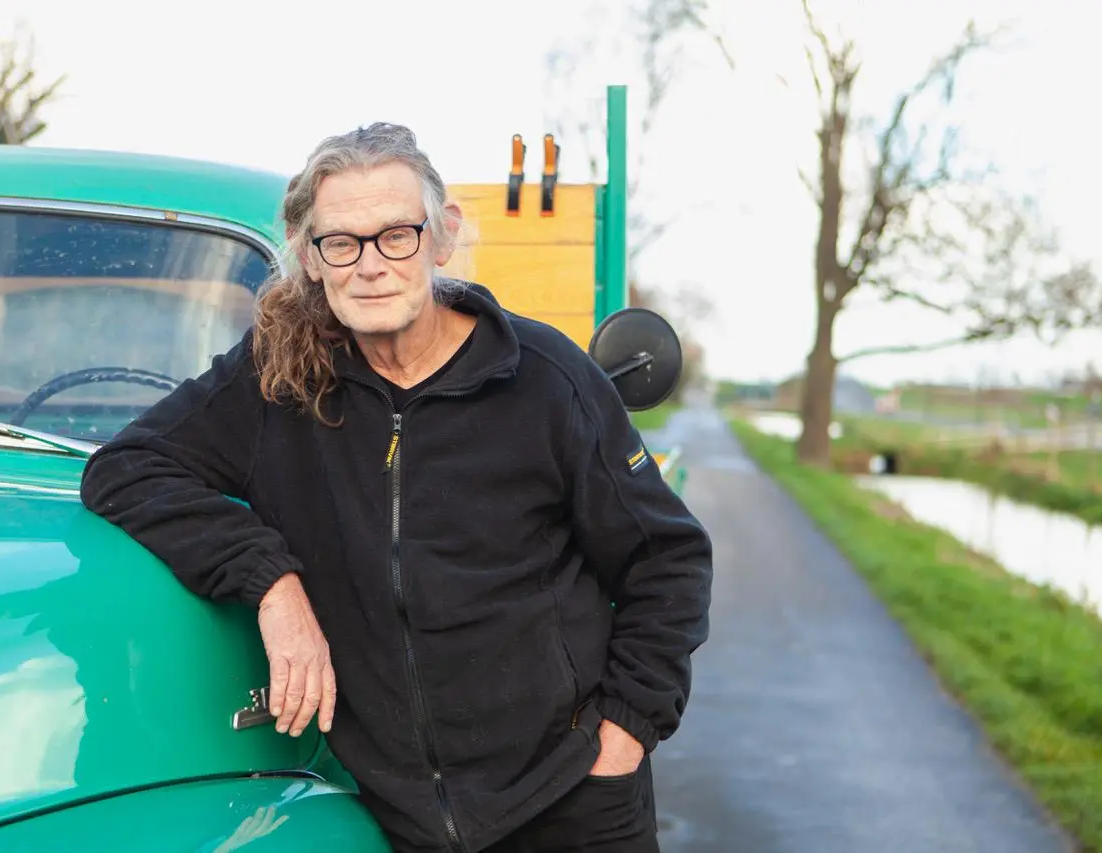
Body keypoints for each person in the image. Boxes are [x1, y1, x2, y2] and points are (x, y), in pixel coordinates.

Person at [79, 122, 714, 853]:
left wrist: (624, 735)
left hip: (571, 801)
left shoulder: (546, 378)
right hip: (403, 822)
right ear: (310, 258)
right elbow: (127, 467)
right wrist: (271, 581)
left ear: (441, 236)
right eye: (341, 243)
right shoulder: (278, 379)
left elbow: (667, 560)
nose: (370, 266)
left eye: (395, 236)